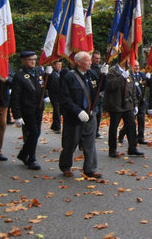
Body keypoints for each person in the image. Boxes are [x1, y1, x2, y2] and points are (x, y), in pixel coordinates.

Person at [59, 51, 101, 179]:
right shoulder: (69, 77)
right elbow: (65, 98)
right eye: (87, 60)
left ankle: (90, 169)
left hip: (90, 115)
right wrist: (78, 111)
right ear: (78, 62)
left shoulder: (92, 74)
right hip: (74, 117)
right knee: (70, 143)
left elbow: (100, 90)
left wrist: (105, 75)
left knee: (90, 143)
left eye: (90, 60)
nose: (90, 62)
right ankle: (65, 166)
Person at [10, 51, 45, 170]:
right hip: (27, 109)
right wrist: (17, 115)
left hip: (38, 108)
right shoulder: (19, 76)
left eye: (34, 59)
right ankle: (31, 158)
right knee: (33, 133)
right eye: (30, 60)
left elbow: (44, 86)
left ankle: (24, 154)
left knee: (36, 133)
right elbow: (15, 97)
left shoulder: (39, 72)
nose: (33, 62)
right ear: (24, 61)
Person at [104, 58, 144, 158]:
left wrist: (135, 104)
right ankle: (112, 149)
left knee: (131, 126)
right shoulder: (112, 71)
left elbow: (133, 89)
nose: (131, 61)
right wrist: (121, 77)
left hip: (128, 105)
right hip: (116, 104)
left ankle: (132, 148)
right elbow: (110, 86)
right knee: (114, 128)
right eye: (128, 59)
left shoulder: (129, 71)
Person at [118, 60, 148, 145]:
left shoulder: (142, 75)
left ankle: (140, 137)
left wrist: (149, 78)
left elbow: (147, 85)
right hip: (132, 102)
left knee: (141, 120)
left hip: (141, 101)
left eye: (138, 66)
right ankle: (122, 134)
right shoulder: (129, 76)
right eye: (135, 66)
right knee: (131, 121)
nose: (137, 67)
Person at [46, 59, 63, 133]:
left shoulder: (60, 73)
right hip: (54, 94)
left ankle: (54, 125)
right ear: (54, 65)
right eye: (58, 64)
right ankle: (58, 127)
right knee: (57, 110)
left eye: (60, 64)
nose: (59, 66)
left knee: (58, 110)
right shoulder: (51, 74)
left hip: (60, 94)